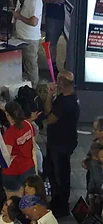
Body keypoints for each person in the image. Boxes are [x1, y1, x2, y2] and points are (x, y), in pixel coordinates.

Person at [38, 71, 78, 215]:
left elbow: (49, 119)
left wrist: (49, 98)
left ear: (62, 84)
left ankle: (61, 206)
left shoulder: (67, 103)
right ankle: (55, 200)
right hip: (57, 143)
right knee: (52, 172)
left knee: (60, 176)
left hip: (61, 145)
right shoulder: (65, 97)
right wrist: (50, 95)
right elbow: (48, 109)